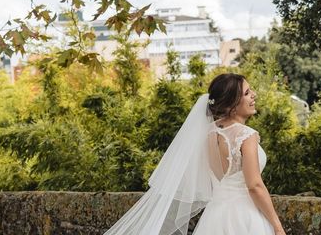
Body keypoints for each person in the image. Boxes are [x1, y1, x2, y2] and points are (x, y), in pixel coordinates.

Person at [104, 73, 286, 235]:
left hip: (215, 216)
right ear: (232, 104)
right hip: (245, 215)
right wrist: (278, 227)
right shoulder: (246, 135)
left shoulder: (208, 133)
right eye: (246, 93)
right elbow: (254, 186)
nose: (253, 95)